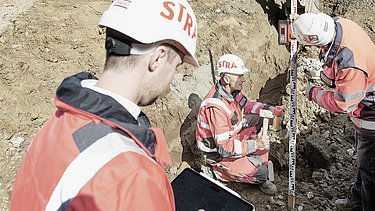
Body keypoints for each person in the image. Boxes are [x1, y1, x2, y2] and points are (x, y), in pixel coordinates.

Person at [10, 0, 198, 210]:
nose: (171, 78)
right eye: (176, 66)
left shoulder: (59, 121)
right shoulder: (135, 175)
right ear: (158, 58)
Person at [292, 12, 375, 210]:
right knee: (363, 163)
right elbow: (332, 58)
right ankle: (357, 197)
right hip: (363, 106)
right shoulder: (339, 24)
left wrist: (314, 93)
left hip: (370, 115)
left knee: (370, 169)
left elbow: (341, 104)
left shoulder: (350, 64)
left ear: (313, 38)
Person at [195, 54, 278, 195]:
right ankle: (216, 172)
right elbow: (224, 148)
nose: (243, 79)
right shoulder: (215, 107)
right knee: (261, 174)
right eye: (239, 76)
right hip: (218, 155)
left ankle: (251, 159)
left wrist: (266, 108)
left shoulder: (232, 91)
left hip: (233, 135)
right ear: (226, 79)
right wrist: (254, 145)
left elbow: (248, 105)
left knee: (261, 119)